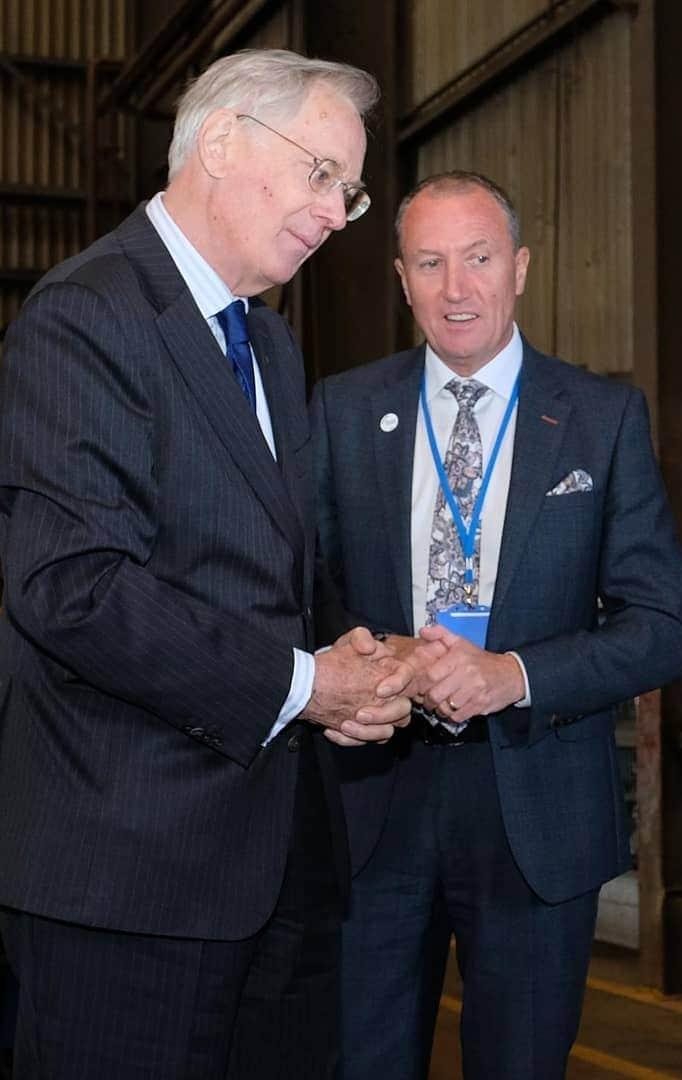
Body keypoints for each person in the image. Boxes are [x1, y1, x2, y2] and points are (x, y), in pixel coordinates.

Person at [0, 48, 413, 1079]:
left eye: (349, 193)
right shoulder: (86, 314)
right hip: (128, 879)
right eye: (322, 174)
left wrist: (345, 663)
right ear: (221, 141)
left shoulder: (268, 347)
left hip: (273, 872)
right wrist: (308, 684)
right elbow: (74, 589)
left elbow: (253, 573)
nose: (334, 214)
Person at [311, 170, 682, 1079]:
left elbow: (662, 625)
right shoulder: (339, 410)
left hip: (536, 804)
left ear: (519, 267)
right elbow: (304, 589)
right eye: (431, 262)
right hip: (373, 800)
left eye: (479, 258)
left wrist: (512, 673)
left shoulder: (602, 420)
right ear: (401, 280)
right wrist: (360, 654)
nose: (457, 288)